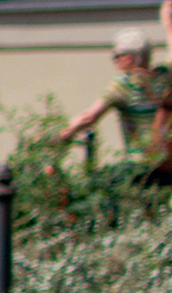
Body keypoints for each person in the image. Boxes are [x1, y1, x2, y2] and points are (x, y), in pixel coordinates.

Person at [59, 18, 172, 184]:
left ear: (128, 58)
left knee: (102, 185)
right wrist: (167, 23)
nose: (114, 62)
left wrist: (63, 135)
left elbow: (88, 117)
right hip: (167, 164)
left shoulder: (123, 86)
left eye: (116, 57)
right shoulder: (164, 77)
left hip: (140, 166)